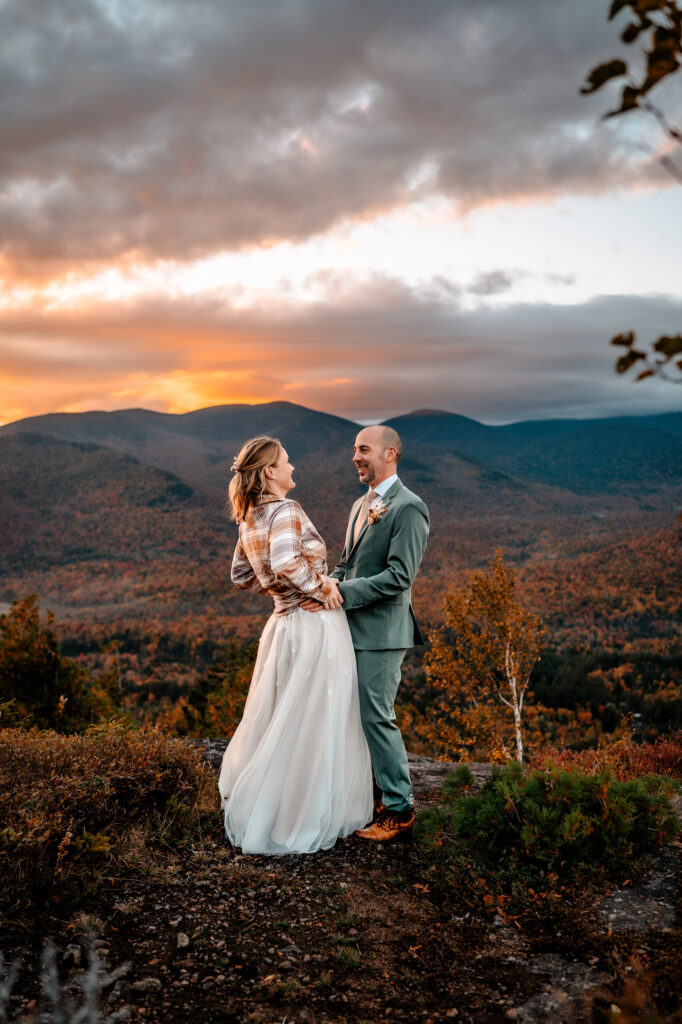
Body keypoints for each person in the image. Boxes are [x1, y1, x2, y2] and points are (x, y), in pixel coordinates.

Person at [217, 435, 373, 855]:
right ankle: (304, 813)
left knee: (284, 717)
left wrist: (278, 593)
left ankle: (277, 807)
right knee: (316, 717)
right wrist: (322, 587)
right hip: (312, 626)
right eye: (286, 461)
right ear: (269, 472)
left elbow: (241, 575)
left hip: (281, 626)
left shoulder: (250, 515)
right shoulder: (285, 509)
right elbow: (286, 561)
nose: (292, 466)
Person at [302, 425, 429, 843]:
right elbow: (346, 563)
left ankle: (400, 810)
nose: (355, 457)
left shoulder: (409, 507)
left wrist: (341, 592)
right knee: (354, 717)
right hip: (351, 627)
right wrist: (321, 587)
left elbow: (399, 577)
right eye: (354, 450)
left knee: (376, 716)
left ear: (390, 453)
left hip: (384, 632)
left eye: (364, 449)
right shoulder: (361, 505)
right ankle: (371, 799)